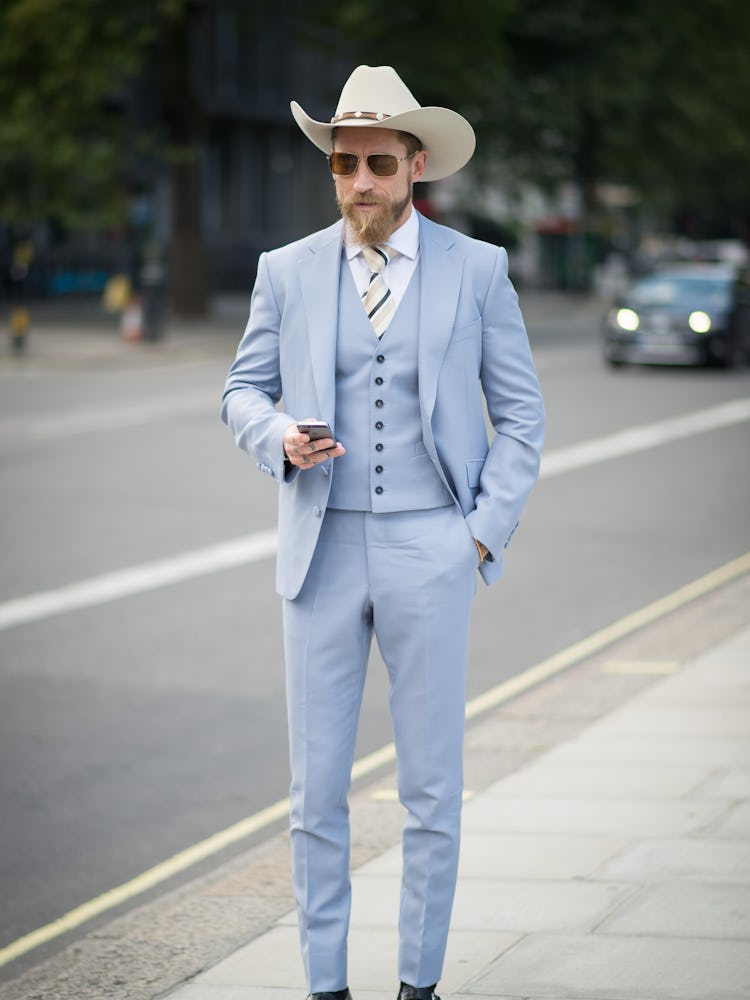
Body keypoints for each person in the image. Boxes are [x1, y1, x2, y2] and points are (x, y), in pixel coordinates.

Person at [222, 65, 545, 1000]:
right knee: (314, 794)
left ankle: (419, 986)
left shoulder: (477, 270)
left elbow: (521, 418)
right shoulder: (284, 271)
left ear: (414, 167)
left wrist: (478, 536)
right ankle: (326, 986)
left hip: (430, 546)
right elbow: (241, 389)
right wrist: (277, 434)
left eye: (376, 163)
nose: (359, 181)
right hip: (319, 553)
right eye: (344, 164)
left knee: (431, 792)